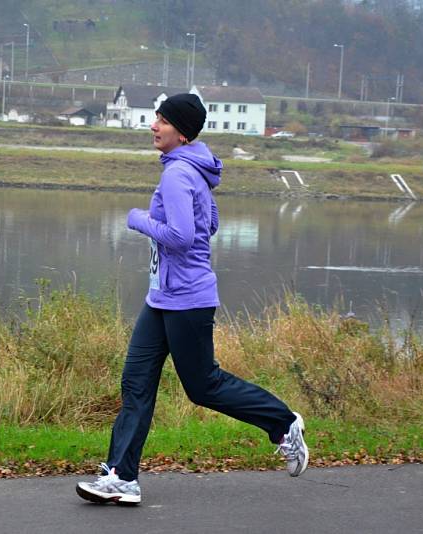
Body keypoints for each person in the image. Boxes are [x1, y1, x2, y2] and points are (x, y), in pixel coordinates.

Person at [76, 93, 308, 505]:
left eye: (162, 121)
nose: (153, 126)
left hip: (186, 298)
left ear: (181, 132)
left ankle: (283, 423)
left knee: (203, 386)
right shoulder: (191, 171)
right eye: (154, 118)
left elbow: (183, 238)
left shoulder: (178, 175)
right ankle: (121, 477)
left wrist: (139, 220)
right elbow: (211, 222)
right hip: (163, 297)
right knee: (136, 382)